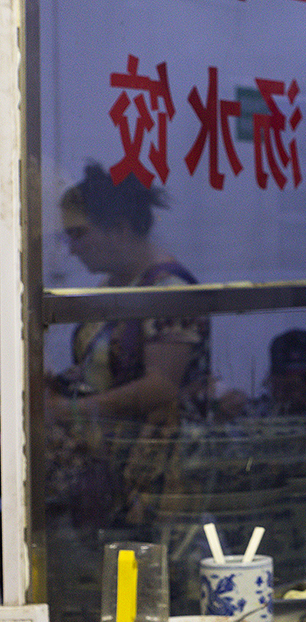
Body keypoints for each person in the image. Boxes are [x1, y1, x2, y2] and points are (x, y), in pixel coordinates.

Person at [47, 161, 210, 428]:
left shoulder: (170, 291)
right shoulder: (114, 283)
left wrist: (70, 409)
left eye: (78, 235)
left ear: (120, 230)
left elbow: (160, 387)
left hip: (159, 457)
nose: (72, 249)